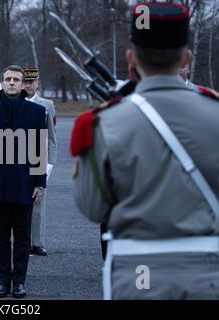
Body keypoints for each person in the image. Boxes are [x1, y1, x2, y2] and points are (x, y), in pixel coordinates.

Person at [71, 2, 219, 299]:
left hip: (139, 273)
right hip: (210, 273)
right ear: (185, 57)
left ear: (130, 58)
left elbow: (92, 207)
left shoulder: (101, 123)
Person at [0, 65, 47, 298]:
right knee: (1, 237)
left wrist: (39, 183)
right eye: (8, 79)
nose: (12, 83)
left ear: (23, 83)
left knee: (23, 238)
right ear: (2, 82)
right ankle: (3, 280)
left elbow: (40, 150)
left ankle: (19, 282)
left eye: (16, 79)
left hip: (25, 184)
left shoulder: (37, 112)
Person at [23, 67, 57, 256]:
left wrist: (50, 163)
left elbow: (51, 136)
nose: (28, 85)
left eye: (32, 82)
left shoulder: (47, 105)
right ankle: (23, 242)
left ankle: (37, 242)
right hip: (16, 158)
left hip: (39, 158)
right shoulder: (13, 101)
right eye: (26, 82)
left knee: (38, 202)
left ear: (37, 83)